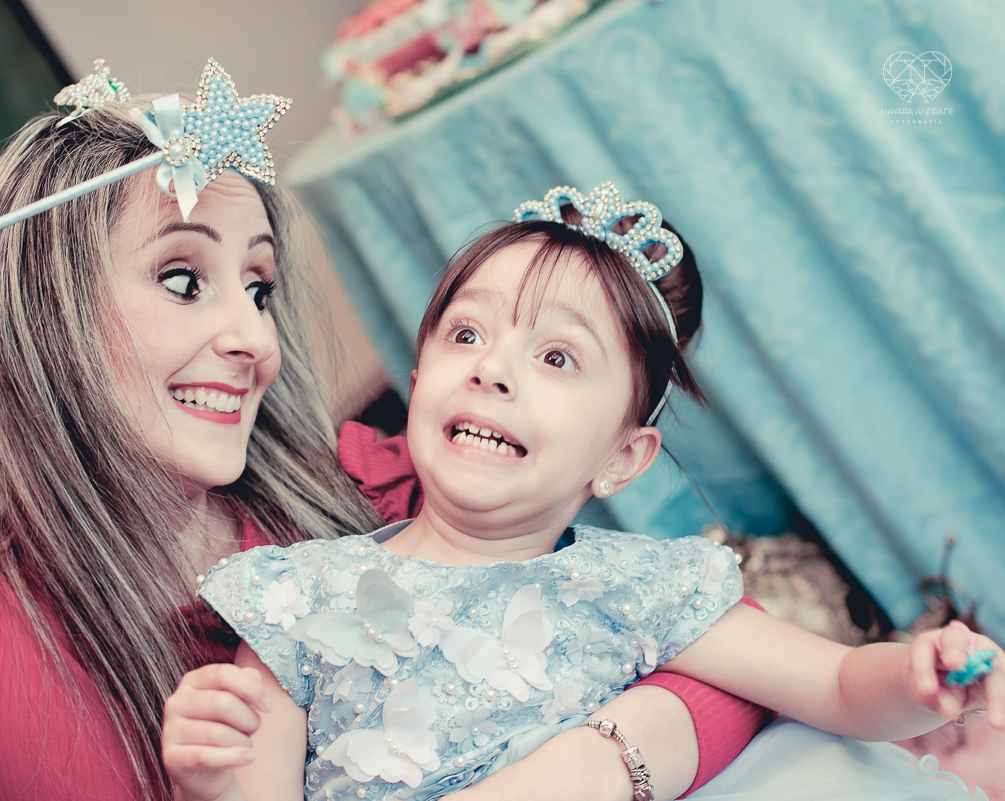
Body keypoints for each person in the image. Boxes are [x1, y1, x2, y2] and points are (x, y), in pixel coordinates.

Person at [0, 72, 769, 800]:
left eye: (259, 287)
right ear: (45, 312)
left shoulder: (367, 490)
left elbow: (744, 660)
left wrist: (576, 772)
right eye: (185, 280)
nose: (252, 339)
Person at [171, 185, 1004, 801]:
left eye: (557, 357)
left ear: (622, 458)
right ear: (420, 383)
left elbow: (837, 687)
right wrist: (212, 774)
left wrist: (919, 678)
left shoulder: (636, 591)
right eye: (468, 334)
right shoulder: (298, 593)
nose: (492, 369)